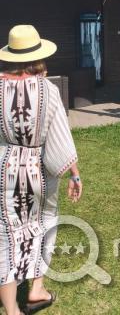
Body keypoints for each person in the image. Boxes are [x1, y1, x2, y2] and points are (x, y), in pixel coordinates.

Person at [0, 25, 82, 315]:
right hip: (40, 171)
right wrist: (74, 173)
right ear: (38, 56)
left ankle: (12, 310)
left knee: (5, 234)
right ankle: (36, 290)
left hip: (5, 168)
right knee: (45, 221)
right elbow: (60, 135)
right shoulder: (48, 89)